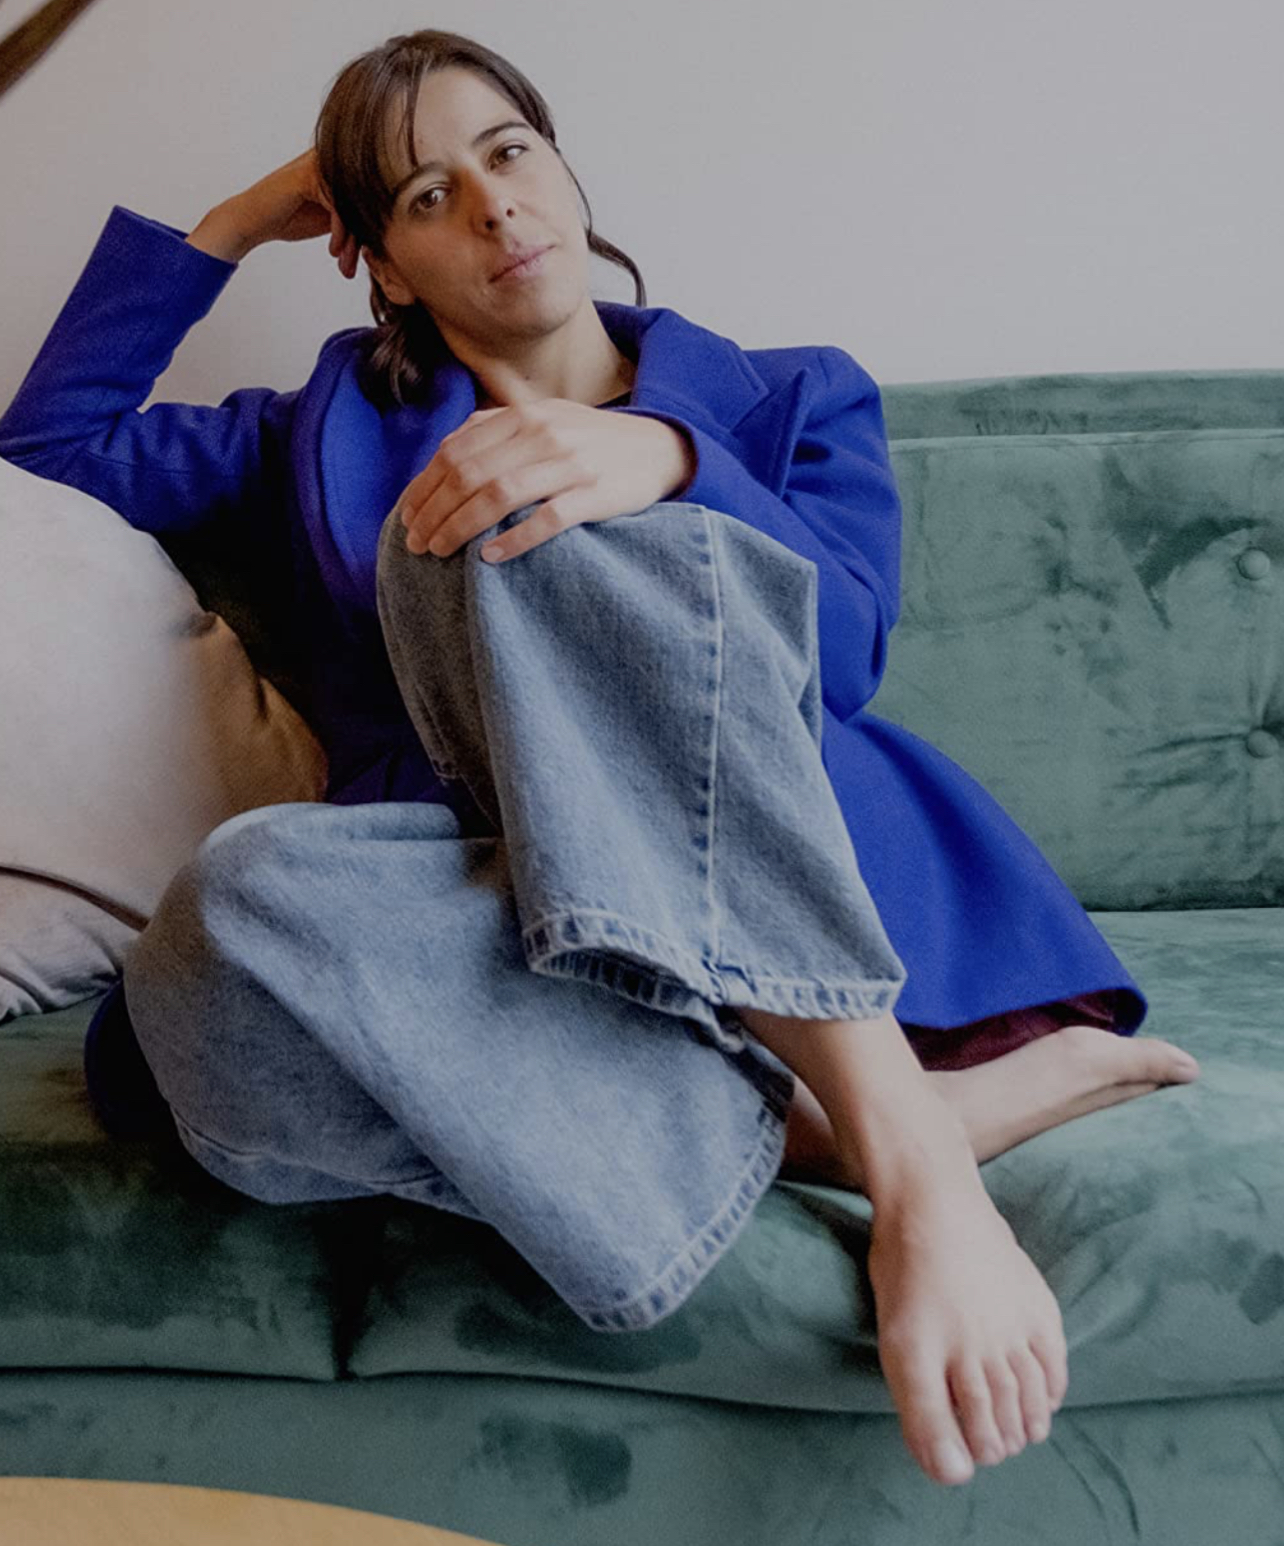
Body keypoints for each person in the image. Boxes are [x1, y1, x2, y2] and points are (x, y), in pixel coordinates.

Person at [0, 27, 1201, 1491]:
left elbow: (843, 661)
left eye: (509, 152)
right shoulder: (319, 431)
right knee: (235, 898)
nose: (492, 203)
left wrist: (672, 464)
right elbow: (45, 454)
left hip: (732, 891)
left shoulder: (791, 396)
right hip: (478, 921)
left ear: (564, 169)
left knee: (533, 518)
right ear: (386, 266)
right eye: (428, 196)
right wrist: (237, 223)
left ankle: (904, 1151)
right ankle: (802, 1129)